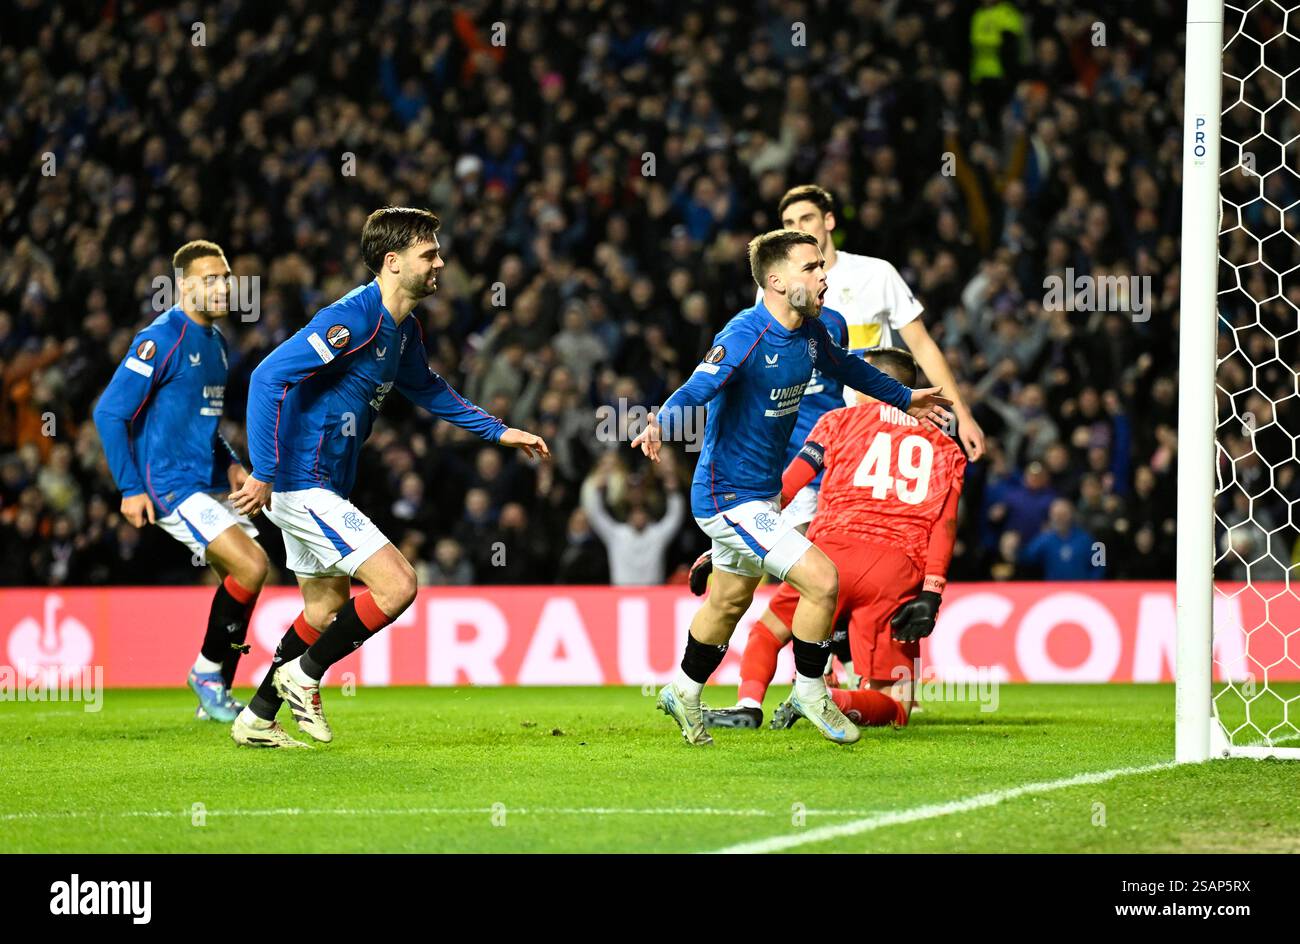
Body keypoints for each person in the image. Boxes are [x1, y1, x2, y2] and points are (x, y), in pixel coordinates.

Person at [227, 207, 549, 748]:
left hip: (324, 484)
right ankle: (303, 676)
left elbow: (427, 389)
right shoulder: (354, 318)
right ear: (393, 262)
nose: (440, 263)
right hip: (300, 481)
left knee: (324, 608)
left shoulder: (403, 332)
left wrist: (498, 432)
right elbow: (266, 378)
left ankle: (257, 716)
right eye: (430, 254)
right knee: (398, 585)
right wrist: (263, 471)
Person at [631, 229, 952, 747]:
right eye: (811, 268)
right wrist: (660, 422)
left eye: (822, 266)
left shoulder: (813, 330)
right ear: (776, 281)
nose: (824, 276)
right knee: (822, 580)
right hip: (725, 495)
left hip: (763, 493)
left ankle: (683, 690)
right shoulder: (745, 334)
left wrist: (902, 397)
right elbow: (699, 385)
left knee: (729, 600)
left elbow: (846, 367)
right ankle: (810, 690)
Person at [703, 348, 966, 729]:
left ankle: (748, 705)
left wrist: (733, 537)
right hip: (896, 569)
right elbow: (945, 526)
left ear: (878, 383)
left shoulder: (837, 422)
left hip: (830, 554)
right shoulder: (946, 448)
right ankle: (828, 698)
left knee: (767, 632)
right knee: (896, 704)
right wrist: (932, 591)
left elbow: (786, 489)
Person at [92, 240, 268, 723]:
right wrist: (129, 487)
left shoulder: (216, 344)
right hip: (168, 483)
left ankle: (215, 693)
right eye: (210, 279)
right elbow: (109, 413)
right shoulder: (161, 338)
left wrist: (232, 465)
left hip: (203, 482)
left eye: (226, 277)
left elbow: (203, 426)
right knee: (253, 566)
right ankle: (207, 676)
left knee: (238, 579)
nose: (222, 287)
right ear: (184, 285)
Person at [579, 453, 685, 585]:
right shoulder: (617, 534)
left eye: (641, 513)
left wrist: (673, 492)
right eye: (635, 513)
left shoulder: (657, 535)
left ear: (648, 515)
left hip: (653, 595)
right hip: (621, 595)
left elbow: (674, 517)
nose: (638, 517)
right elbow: (596, 515)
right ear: (629, 516)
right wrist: (598, 491)